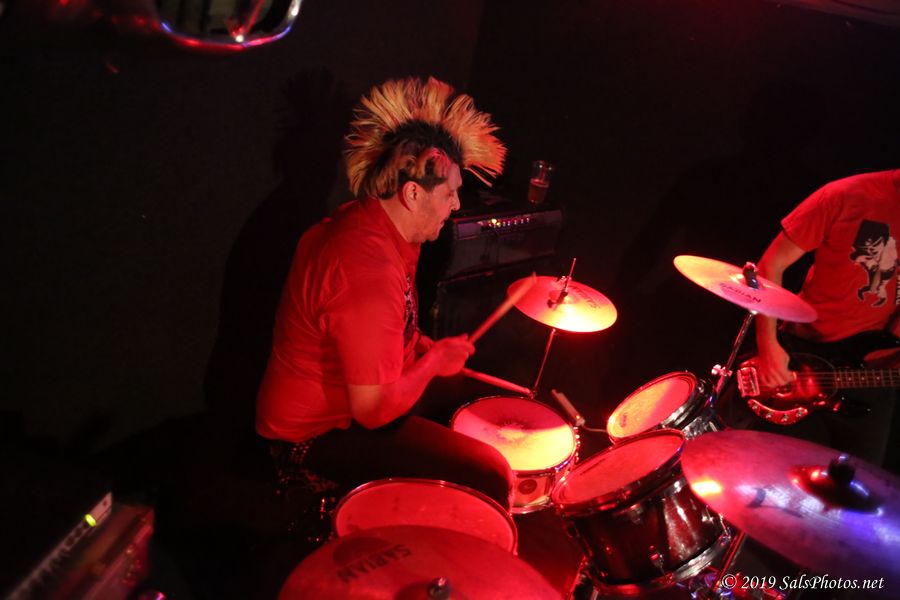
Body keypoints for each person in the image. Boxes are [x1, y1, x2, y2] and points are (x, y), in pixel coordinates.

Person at [255, 76, 514, 508]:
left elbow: (388, 329)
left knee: (459, 391)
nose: (455, 205)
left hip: (349, 405)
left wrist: (422, 348)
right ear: (413, 193)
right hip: (312, 436)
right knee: (489, 475)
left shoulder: (377, 224)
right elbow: (373, 411)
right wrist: (432, 361)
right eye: (450, 193)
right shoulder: (367, 271)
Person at [749, 169, 899, 466]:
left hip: (876, 375)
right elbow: (771, 264)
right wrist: (768, 344)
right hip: (804, 361)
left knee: (857, 486)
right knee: (782, 477)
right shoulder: (846, 195)